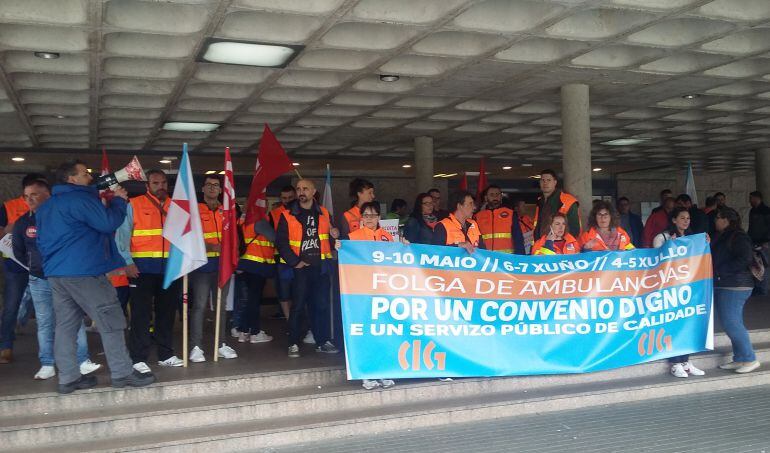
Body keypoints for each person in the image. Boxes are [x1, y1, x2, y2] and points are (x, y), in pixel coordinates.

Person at [36, 160, 155, 393]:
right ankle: (122, 372)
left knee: (66, 326)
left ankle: (68, 378)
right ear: (72, 179)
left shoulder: (48, 206)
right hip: (85, 271)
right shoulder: (80, 199)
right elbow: (107, 223)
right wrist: (119, 202)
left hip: (57, 273)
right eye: (84, 174)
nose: (89, 177)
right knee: (110, 319)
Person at [12, 177, 102, 380]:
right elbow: (18, 251)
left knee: (73, 319)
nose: (30, 200)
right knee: (45, 322)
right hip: (39, 279)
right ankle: (47, 363)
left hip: (66, 276)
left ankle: (82, 361)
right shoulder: (23, 222)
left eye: (34, 195)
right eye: (26, 196)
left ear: (47, 194)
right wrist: (34, 266)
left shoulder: (63, 216)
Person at [116, 169, 183, 373]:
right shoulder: (133, 205)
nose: (160, 186)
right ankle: (138, 357)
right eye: (155, 183)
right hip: (141, 269)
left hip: (169, 269)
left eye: (163, 183)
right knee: (140, 314)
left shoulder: (178, 207)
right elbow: (122, 236)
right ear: (147, 186)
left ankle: (165, 354)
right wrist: (127, 262)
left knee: (167, 313)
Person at [336, 201, 398, 390]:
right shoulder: (351, 237)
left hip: (384, 293)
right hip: (360, 294)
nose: (370, 219)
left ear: (379, 217)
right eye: (366, 215)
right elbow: (343, 255)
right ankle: (366, 373)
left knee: (384, 332)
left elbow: (398, 260)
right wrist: (339, 246)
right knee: (365, 333)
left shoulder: (388, 237)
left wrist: (404, 246)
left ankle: (383, 371)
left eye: (373, 215)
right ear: (361, 218)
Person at [276, 179, 340, 358]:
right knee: (297, 306)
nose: (301, 192)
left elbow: (332, 240)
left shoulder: (324, 213)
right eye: (298, 189)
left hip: (321, 267)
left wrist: (335, 236)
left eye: (305, 189)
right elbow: (281, 242)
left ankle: (323, 341)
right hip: (300, 268)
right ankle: (293, 343)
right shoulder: (287, 214)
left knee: (321, 305)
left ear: (313, 192)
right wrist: (295, 262)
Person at [188, 175, 238, 363]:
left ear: (220, 190)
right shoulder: (195, 211)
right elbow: (189, 237)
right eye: (208, 185)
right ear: (203, 189)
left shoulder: (227, 211)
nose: (212, 188)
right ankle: (196, 347)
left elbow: (234, 237)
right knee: (199, 306)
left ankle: (221, 344)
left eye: (216, 185)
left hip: (222, 266)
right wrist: (210, 247)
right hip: (202, 265)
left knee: (221, 307)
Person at [652, 207, 706, 378]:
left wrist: (705, 243)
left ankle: (685, 361)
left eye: (688, 218)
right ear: (673, 220)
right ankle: (675, 362)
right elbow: (655, 261)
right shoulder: (662, 237)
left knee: (686, 325)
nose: (686, 221)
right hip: (668, 290)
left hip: (687, 288)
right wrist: (670, 246)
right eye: (682, 218)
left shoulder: (691, 238)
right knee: (673, 326)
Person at [0, 174, 43, 364]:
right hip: (14, 265)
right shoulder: (8, 206)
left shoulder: (50, 206)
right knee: (11, 306)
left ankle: (50, 351)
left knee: (49, 309)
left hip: (42, 265)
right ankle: (5, 346)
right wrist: (7, 229)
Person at [712, 207, 760, 374]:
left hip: (735, 285)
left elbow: (745, 259)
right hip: (726, 283)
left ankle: (750, 358)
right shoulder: (723, 235)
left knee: (731, 322)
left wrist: (721, 271)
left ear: (726, 220)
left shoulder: (738, 236)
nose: (715, 220)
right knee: (730, 322)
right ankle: (740, 358)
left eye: (717, 217)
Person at [267, 185, 297, 322]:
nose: (287, 200)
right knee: (284, 291)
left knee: (299, 291)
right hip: (281, 258)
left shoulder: (302, 210)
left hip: (300, 256)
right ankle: (289, 321)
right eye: (284, 198)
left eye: (290, 197)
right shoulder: (274, 213)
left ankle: (298, 320)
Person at [474, 185, 525, 254]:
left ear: (501, 197)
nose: (495, 197)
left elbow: (518, 239)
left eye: (497, 194)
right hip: (485, 259)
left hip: (506, 259)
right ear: (486, 198)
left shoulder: (510, 214)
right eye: (491, 195)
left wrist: (519, 258)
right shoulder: (478, 216)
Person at [533, 169, 580, 240]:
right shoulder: (540, 201)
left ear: (555, 182)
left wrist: (562, 244)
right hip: (541, 244)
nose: (545, 183)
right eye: (543, 180)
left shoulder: (568, 200)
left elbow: (574, 229)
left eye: (549, 180)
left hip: (560, 246)